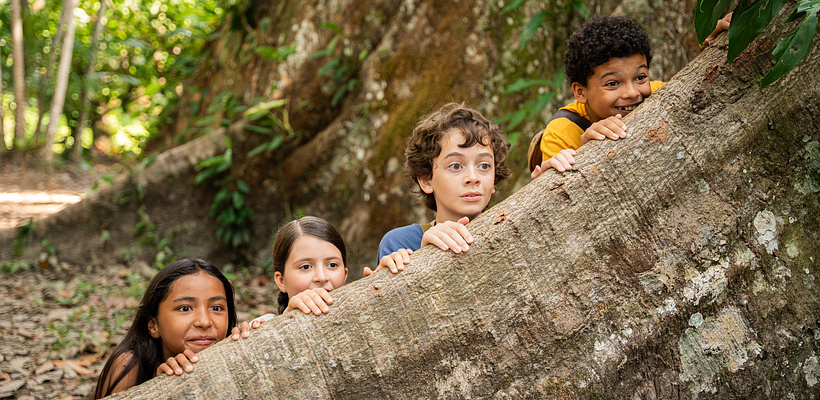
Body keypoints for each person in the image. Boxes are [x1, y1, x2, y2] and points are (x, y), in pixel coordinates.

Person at [531, 14, 733, 179]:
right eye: (612, 83)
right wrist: (587, 151)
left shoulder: (657, 94)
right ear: (580, 92)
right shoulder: (561, 134)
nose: (632, 93)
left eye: (640, 77)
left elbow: (703, 93)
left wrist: (716, 45)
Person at [367, 103, 511, 274]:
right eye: (456, 166)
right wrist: (424, 256)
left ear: (494, 180)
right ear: (426, 180)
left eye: (485, 166)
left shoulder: (511, 230)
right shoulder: (401, 243)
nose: (473, 177)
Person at [93, 259, 237, 398]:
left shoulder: (236, 355)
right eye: (185, 308)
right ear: (154, 325)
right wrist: (160, 390)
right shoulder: (130, 366)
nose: (204, 322)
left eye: (216, 308)